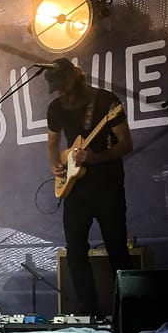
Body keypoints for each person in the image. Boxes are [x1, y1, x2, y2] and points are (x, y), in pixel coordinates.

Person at [45, 57, 133, 318]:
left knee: (117, 249)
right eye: (56, 87)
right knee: (75, 252)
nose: (61, 91)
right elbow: (52, 142)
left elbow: (126, 143)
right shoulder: (55, 108)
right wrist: (55, 164)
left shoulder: (106, 101)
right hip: (75, 188)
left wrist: (95, 158)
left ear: (75, 75)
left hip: (108, 185)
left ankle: (127, 314)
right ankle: (88, 313)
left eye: (63, 84)